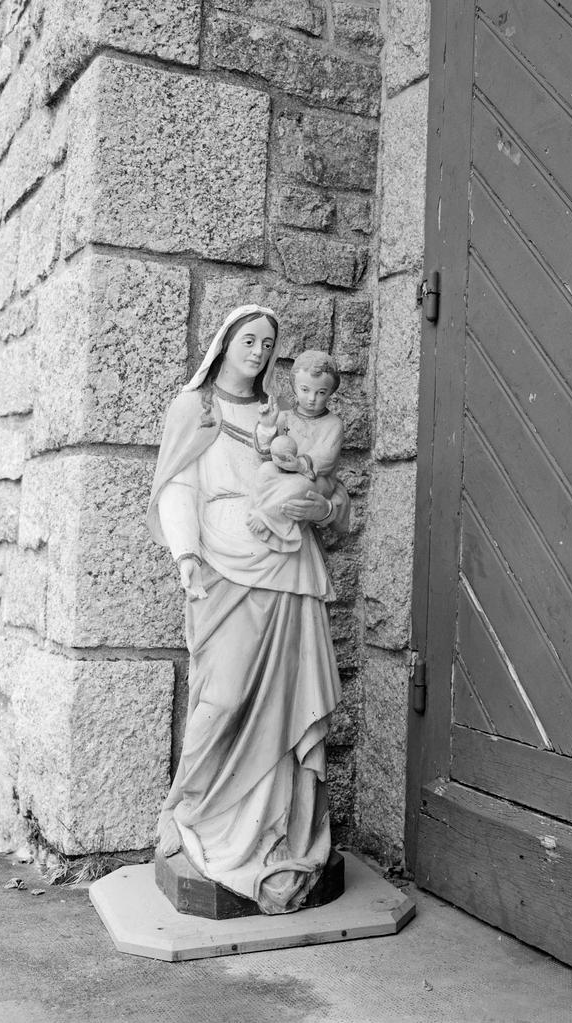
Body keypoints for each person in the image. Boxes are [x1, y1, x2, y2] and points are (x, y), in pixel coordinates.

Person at [146, 305, 349, 915]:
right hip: (222, 564)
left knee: (289, 694)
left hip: (286, 564)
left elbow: (329, 491)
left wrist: (326, 508)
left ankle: (278, 826)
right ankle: (191, 809)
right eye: (248, 339)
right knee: (225, 696)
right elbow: (179, 486)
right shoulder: (195, 408)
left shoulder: (276, 415)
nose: (259, 351)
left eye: (268, 343)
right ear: (224, 342)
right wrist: (185, 557)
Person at [247, 350, 345, 553]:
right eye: (305, 390)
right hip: (284, 471)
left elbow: (326, 456)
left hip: (315, 479)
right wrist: (267, 427)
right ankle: (266, 520)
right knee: (265, 470)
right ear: (294, 387)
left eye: (321, 392)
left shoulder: (333, 424)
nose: (312, 399)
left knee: (299, 485)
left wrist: (300, 464)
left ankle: (265, 517)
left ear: (330, 392)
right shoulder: (284, 417)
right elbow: (265, 454)